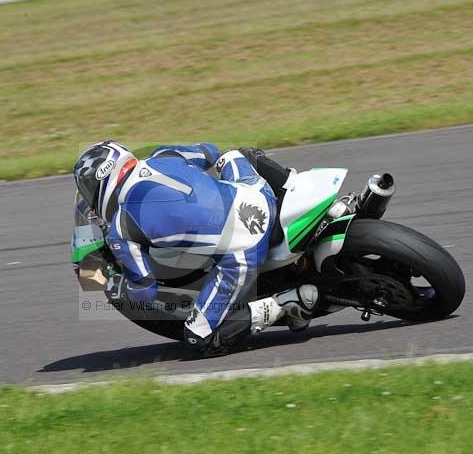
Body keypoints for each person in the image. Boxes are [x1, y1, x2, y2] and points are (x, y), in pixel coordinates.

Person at [73, 140, 319, 357]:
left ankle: (283, 304)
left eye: (86, 189)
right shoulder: (163, 155)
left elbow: (145, 292)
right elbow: (210, 152)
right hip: (257, 192)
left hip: (245, 250)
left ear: (100, 185)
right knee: (235, 155)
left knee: (199, 339)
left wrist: (115, 284)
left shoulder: (121, 227)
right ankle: (295, 184)